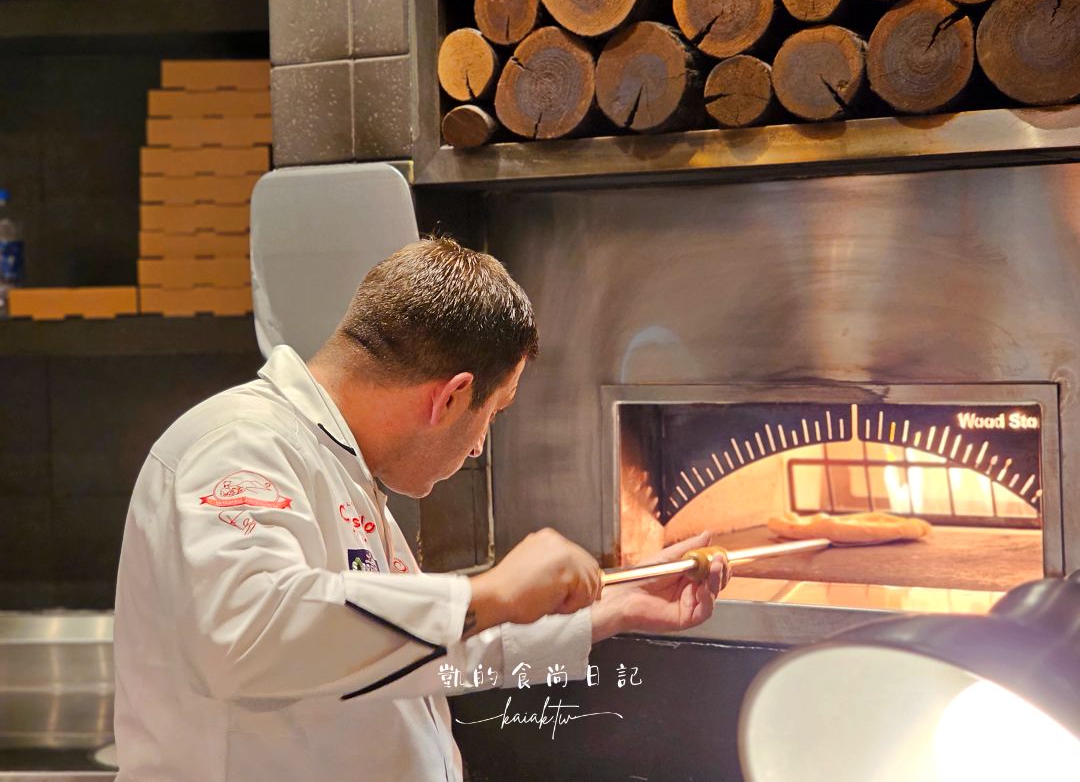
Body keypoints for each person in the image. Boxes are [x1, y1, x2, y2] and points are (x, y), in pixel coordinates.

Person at [113, 236, 723, 781]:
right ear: (453, 397)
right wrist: (488, 592)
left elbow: (414, 655)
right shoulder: (239, 443)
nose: (482, 441)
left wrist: (610, 610)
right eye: (495, 412)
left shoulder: (343, 468)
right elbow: (246, 635)